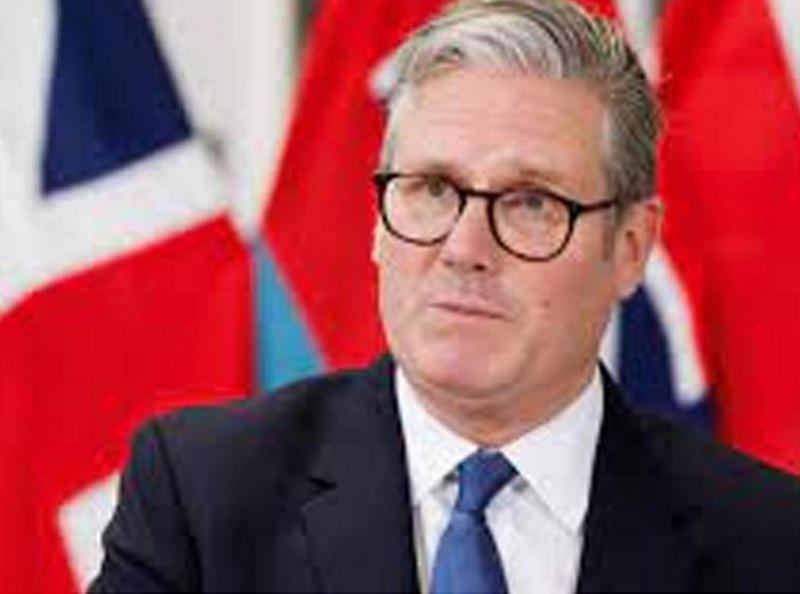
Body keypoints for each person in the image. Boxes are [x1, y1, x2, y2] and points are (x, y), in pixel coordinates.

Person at [91, 0, 800, 592]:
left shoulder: (770, 543)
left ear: (630, 247)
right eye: (431, 189)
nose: (464, 247)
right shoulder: (202, 496)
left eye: (530, 202)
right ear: (377, 221)